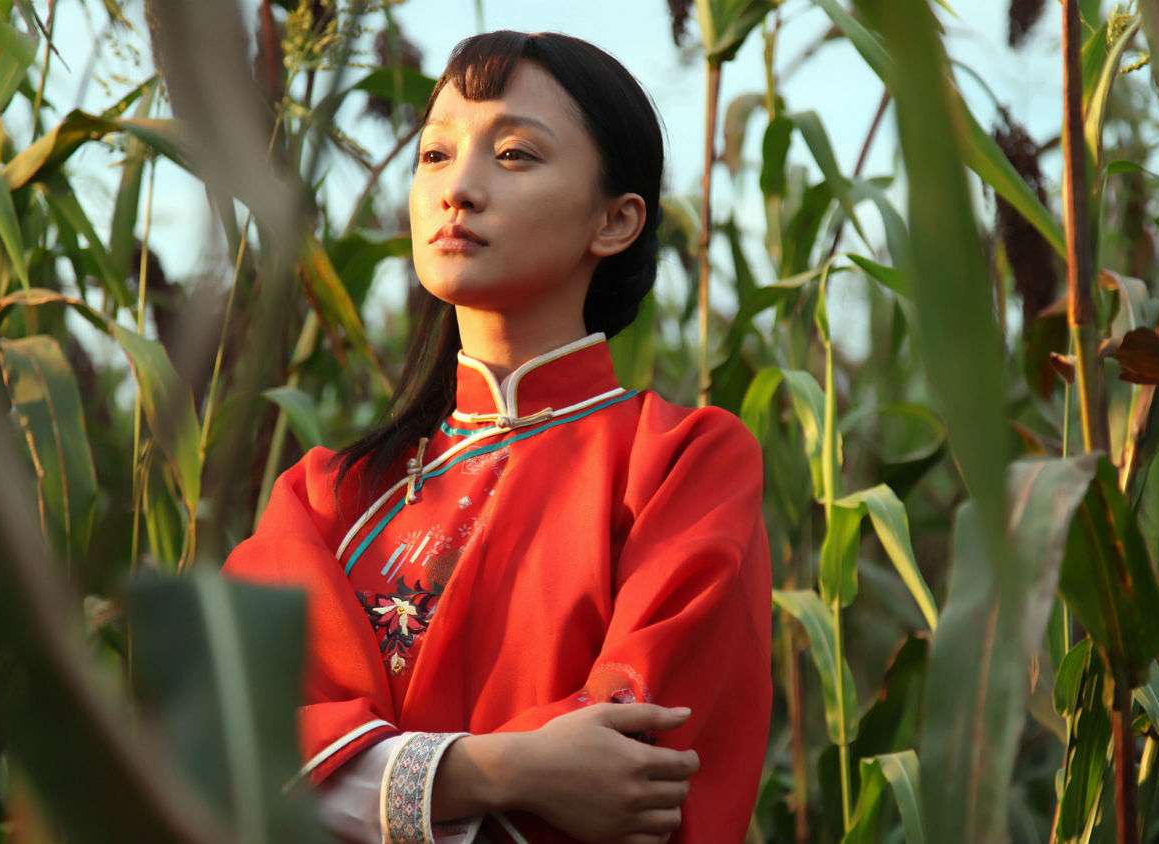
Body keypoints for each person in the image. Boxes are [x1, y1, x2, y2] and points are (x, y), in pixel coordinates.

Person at [223, 30, 771, 844]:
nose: (458, 190)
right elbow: (228, 750)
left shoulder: (679, 464)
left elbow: (630, 760)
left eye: (513, 155)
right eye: (435, 155)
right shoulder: (325, 498)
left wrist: (367, 777)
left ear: (616, 222)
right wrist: (500, 772)